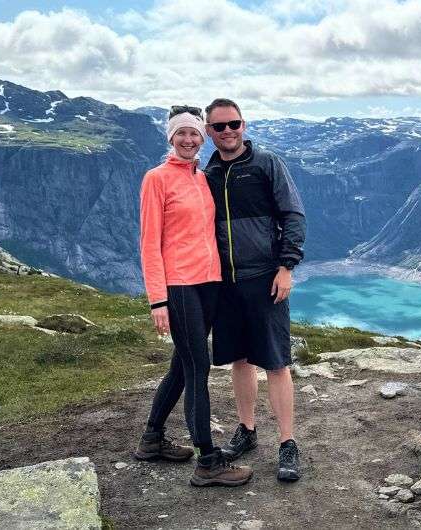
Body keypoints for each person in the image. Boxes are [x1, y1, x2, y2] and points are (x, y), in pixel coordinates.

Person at [134, 105, 253, 488]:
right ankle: (208, 461)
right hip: (181, 288)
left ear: (202, 139)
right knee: (197, 368)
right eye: (181, 134)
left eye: (194, 134)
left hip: (210, 286)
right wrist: (158, 299)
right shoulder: (157, 179)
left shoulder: (202, 178)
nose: (188, 140)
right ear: (171, 138)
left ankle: (152, 440)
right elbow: (150, 244)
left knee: (181, 366)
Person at [203, 98, 306, 482]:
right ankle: (246, 431)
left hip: (265, 278)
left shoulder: (266, 165)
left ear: (244, 126)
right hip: (224, 283)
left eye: (234, 124)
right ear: (209, 132)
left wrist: (286, 267)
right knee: (240, 359)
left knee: (276, 362)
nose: (228, 132)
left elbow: (293, 214)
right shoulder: (207, 172)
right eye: (219, 127)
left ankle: (287, 443)